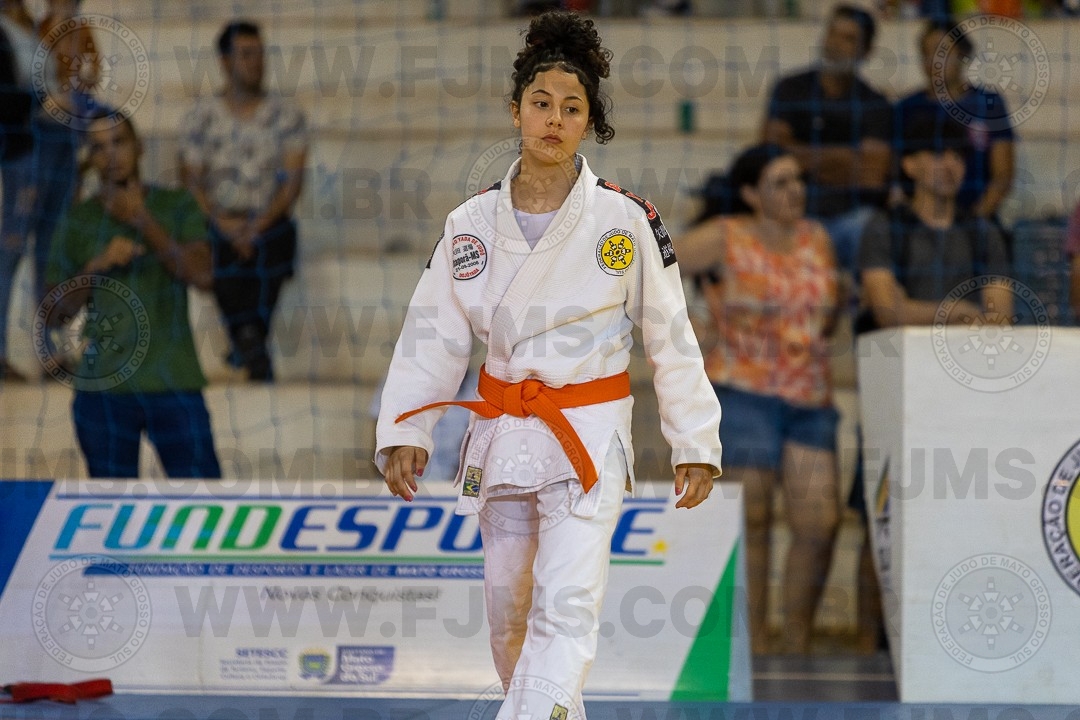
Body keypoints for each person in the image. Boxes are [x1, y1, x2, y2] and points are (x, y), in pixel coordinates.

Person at [374, 11, 721, 720]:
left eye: (571, 108)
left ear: (589, 123)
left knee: (565, 609)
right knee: (509, 617)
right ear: (516, 112)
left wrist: (694, 439)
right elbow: (432, 336)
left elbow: (671, 335)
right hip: (505, 434)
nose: (554, 120)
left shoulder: (626, 221)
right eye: (541, 104)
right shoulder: (470, 223)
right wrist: (406, 427)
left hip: (588, 434)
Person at [851, 112, 1012, 648]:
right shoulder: (885, 227)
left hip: (966, 402)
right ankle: (869, 648)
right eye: (938, 155)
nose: (950, 166)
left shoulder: (982, 231)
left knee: (962, 515)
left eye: (958, 157)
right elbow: (886, 309)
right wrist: (960, 312)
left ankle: (950, 640)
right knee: (881, 520)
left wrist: (940, 314)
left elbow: (1001, 316)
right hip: (895, 398)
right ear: (910, 165)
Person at [677, 144, 841, 655]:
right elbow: (651, 267)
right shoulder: (725, 236)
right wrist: (689, 324)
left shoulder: (817, 238)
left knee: (819, 523)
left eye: (798, 180)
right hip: (742, 392)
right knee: (753, 520)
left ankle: (797, 642)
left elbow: (829, 307)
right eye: (780, 182)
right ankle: (751, 648)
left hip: (809, 396)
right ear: (751, 193)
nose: (796, 190)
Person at [44, 109, 221, 478]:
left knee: (203, 501)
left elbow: (203, 275)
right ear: (90, 158)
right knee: (110, 508)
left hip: (174, 380)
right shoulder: (78, 220)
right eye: (99, 147)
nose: (111, 155)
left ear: (139, 147)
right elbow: (54, 314)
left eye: (119, 142)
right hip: (102, 389)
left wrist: (143, 220)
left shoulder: (176, 204)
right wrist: (96, 266)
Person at [179, 19, 307, 382]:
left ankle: (246, 340)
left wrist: (256, 226)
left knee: (280, 239)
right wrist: (224, 223)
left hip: (267, 221)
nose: (256, 62)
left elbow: (292, 184)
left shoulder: (287, 115)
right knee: (215, 246)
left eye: (260, 54)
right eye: (246, 54)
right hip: (217, 220)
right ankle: (251, 341)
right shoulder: (200, 117)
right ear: (224, 61)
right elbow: (191, 182)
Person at [761, 3, 892, 282]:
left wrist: (799, 155)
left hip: (848, 218)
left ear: (866, 50)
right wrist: (848, 159)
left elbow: (871, 175)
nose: (835, 45)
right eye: (832, 33)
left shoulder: (875, 104)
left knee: (871, 227)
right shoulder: (790, 89)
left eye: (848, 39)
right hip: (790, 216)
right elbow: (770, 154)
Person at [0, 0, 83, 381]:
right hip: (26, 147)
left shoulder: (33, 25)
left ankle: (51, 351)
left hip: (58, 140)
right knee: (12, 247)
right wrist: (42, 102)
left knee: (50, 249)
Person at [895, 19, 1015, 223]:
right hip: (918, 224)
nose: (934, 60)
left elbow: (1003, 175)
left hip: (977, 220)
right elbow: (895, 174)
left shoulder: (988, 104)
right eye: (927, 53)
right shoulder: (907, 108)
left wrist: (972, 222)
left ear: (962, 54)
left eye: (942, 51)